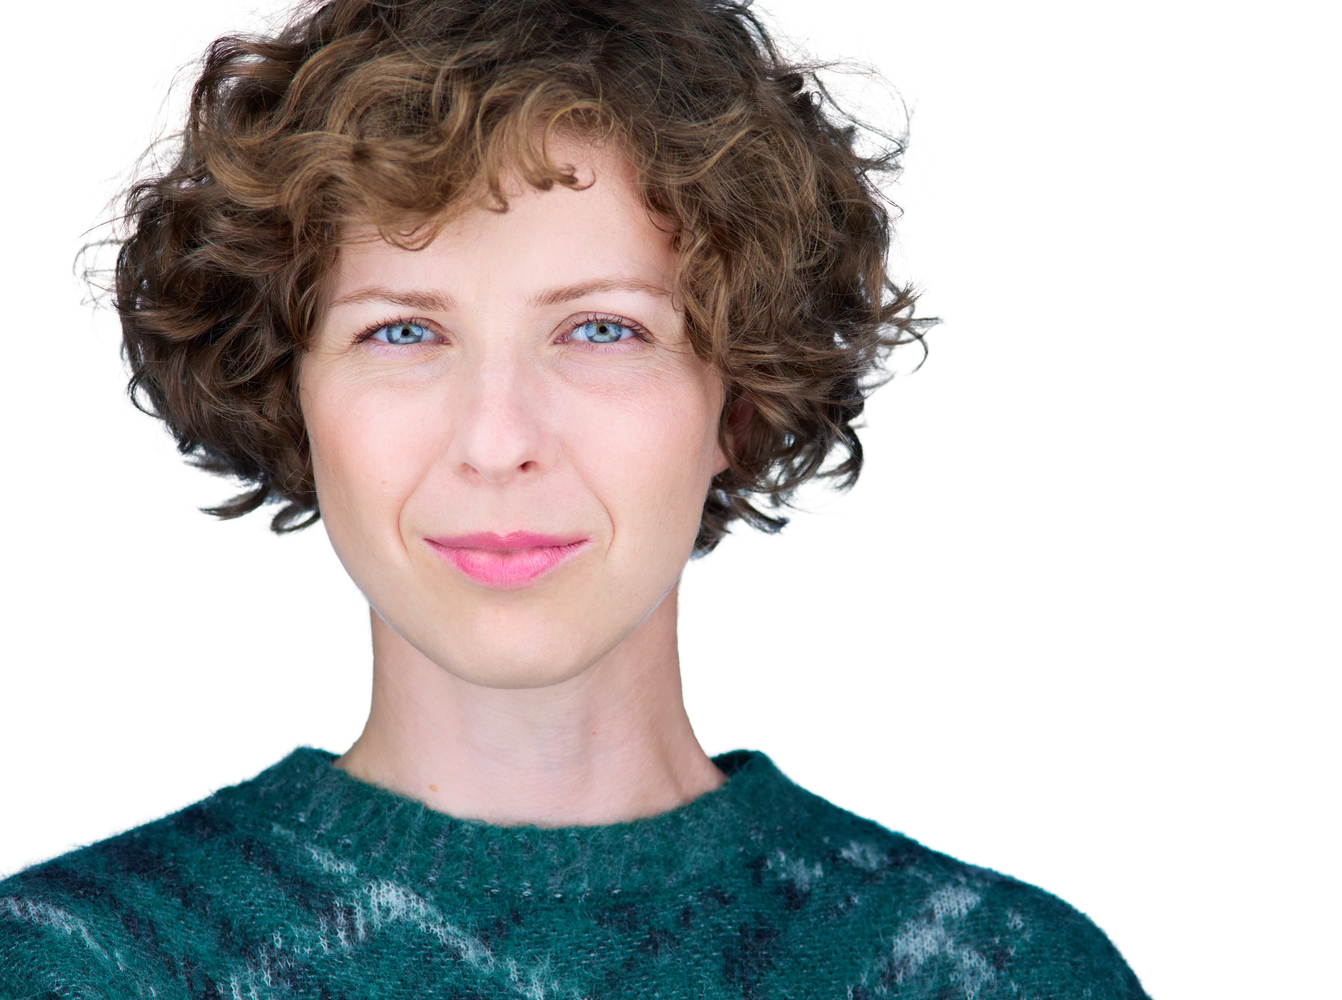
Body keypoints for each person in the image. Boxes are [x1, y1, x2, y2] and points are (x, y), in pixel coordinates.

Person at [0, 0, 1149, 995]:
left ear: (739, 400)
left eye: (602, 330)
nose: (498, 442)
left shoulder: (998, 975)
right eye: (402, 331)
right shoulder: (69, 969)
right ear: (290, 396)